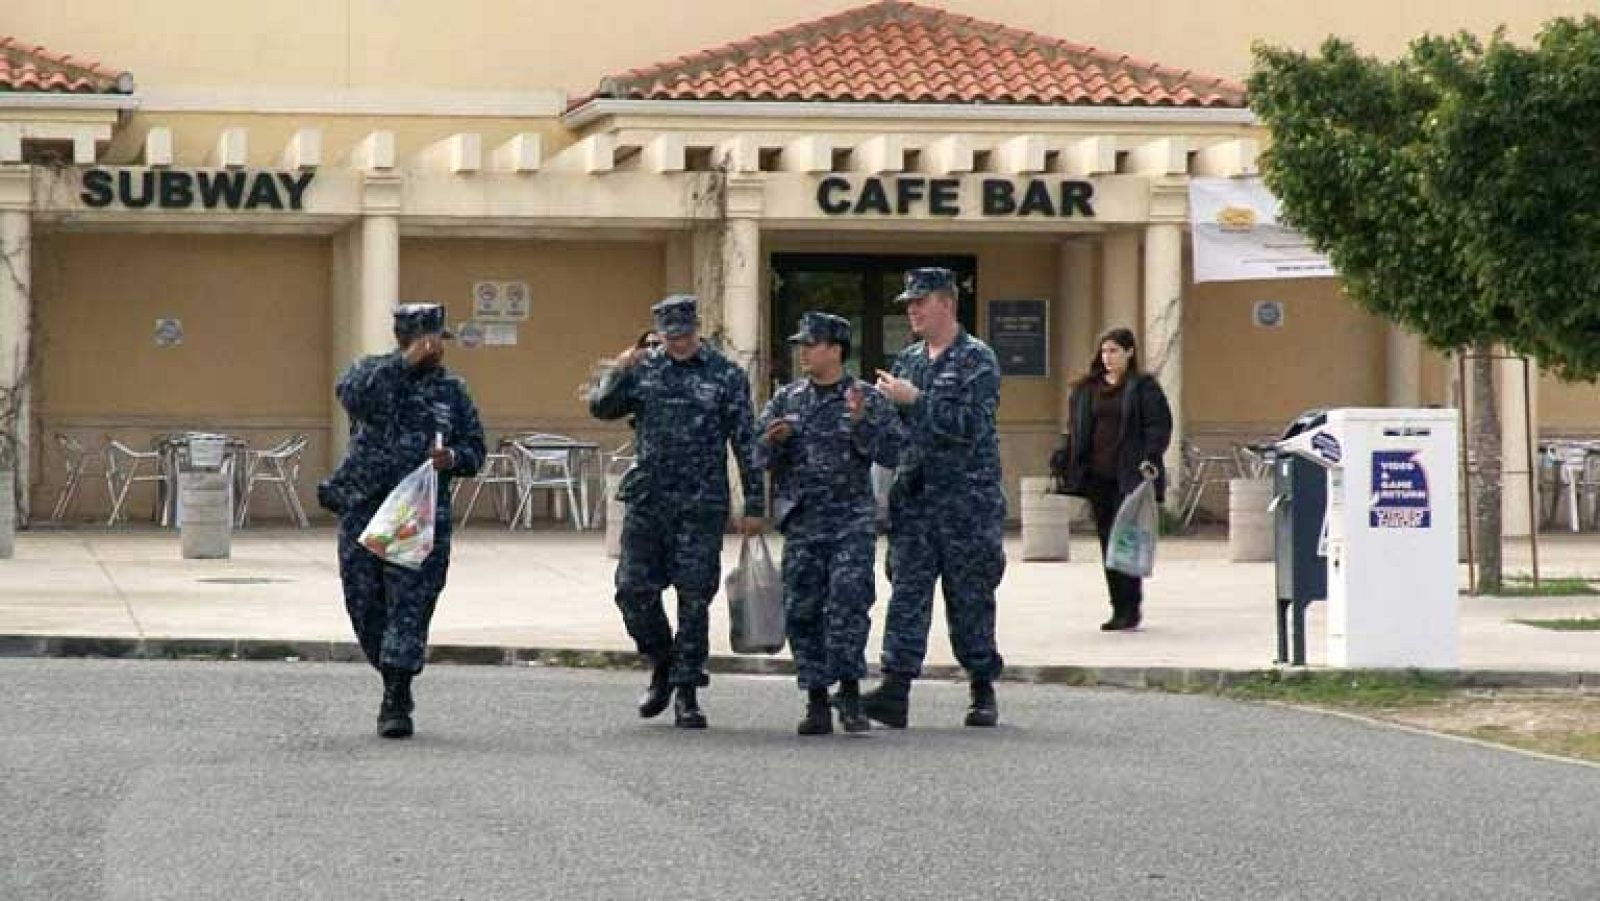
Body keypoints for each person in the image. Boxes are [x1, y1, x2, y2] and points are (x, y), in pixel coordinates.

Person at [588, 294, 764, 729]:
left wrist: (754, 504)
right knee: (632, 591)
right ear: (659, 334)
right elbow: (600, 407)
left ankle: (687, 692)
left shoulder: (725, 375)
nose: (679, 343)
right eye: (671, 337)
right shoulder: (644, 369)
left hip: (700, 503)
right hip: (649, 500)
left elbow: (746, 441)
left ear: (696, 330)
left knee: (693, 598)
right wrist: (620, 367)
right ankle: (663, 662)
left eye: (685, 335)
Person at [317, 303, 486, 739]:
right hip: (365, 507)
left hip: (419, 512)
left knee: (409, 605)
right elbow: (352, 397)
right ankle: (391, 670)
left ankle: (396, 694)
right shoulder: (371, 374)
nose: (436, 348)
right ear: (407, 338)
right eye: (428, 340)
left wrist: (453, 457)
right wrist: (403, 362)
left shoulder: (452, 391)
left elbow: (475, 449)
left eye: (438, 340)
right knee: (364, 602)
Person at [862, 268, 1006, 729]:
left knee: (970, 598)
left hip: (967, 503)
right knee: (907, 595)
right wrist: (867, 419)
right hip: (917, 502)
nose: (912, 310)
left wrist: (916, 400)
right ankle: (895, 689)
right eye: (909, 302)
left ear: (945, 303)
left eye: (919, 302)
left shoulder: (977, 359)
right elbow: (893, 437)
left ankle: (982, 688)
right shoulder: (907, 361)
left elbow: (971, 428)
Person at [756, 311, 902, 735]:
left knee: (849, 604)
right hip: (803, 521)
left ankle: (851, 694)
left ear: (836, 349)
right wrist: (773, 442)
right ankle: (815, 697)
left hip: (850, 522)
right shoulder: (788, 398)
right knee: (802, 610)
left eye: (812, 343)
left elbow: (893, 451)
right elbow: (758, 453)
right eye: (801, 343)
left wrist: (860, 425)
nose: (803, 351)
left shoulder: (865, 398)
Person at [1053, 326, 1173, 631]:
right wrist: (1066, 456)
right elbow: (1075, 428)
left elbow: (1158, 426)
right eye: (1104, 351)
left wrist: (1150, 457)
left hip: (1129, 475)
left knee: (1126, 538)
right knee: (1108, 540)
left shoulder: (1142, 387)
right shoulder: (1086, 389)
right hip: (1097, 476)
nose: (1108, 357)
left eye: (1114, 351)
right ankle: (1117, 606)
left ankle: (1130, 606)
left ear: (1129, 352)